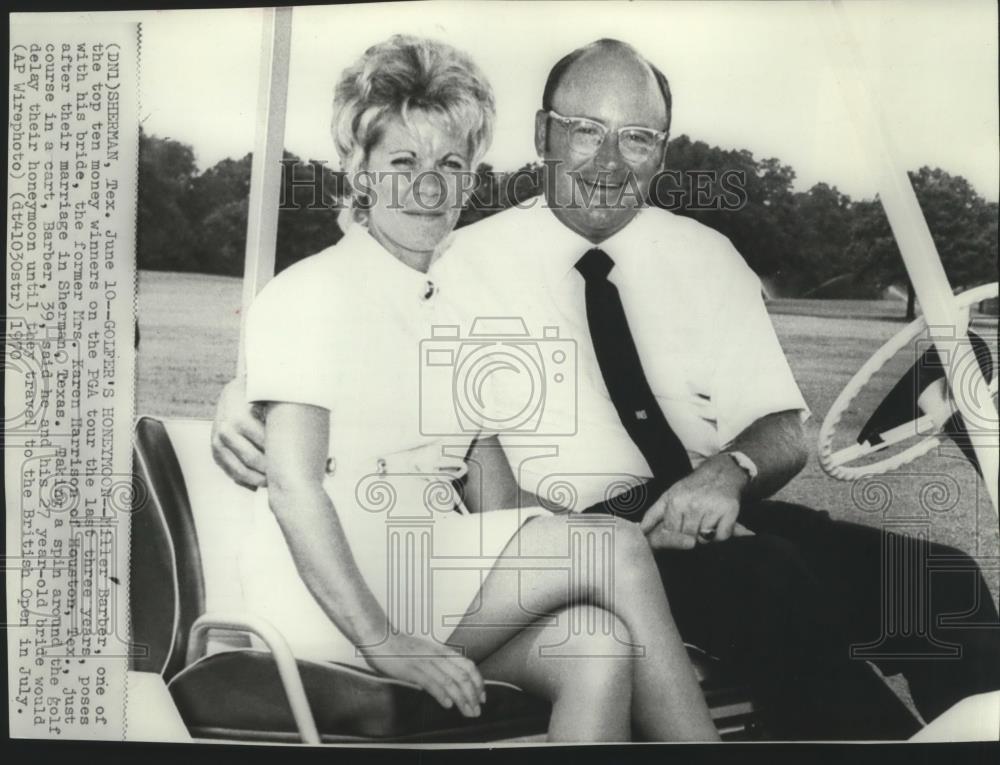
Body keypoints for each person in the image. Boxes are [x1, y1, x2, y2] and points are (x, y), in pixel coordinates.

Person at [215, 37, 1000, 739]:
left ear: (662, 152)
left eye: (637, 138)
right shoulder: (457, 257)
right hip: (569, 529)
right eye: (585, 130)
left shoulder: (707, 255)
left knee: (939, 581)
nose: (607, 160)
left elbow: (785, 426)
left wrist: (728, 471)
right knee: (770, 587)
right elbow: (329, 331)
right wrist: (240, 392)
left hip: (708, 514)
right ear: (542, 135)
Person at [236, 34, 718, 743]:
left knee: (602, 646)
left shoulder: (455, 306)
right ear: (359, 171)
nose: (430, 187)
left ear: (470, 180)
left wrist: (637, 537)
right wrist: (385, 641)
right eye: (403, 161)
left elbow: (500, 501)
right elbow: (293, 489)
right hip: (336, 596)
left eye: (451, 163)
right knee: (608, 550)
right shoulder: (310, 293)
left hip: (433, 574)